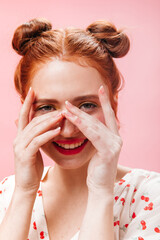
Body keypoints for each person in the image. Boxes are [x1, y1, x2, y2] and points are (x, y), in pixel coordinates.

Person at [0, 18, 160, 240]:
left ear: (113, 105)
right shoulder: (7, 193)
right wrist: (24, 193)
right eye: (47, 107)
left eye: (86, 105)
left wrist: (101, 191)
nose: (67, 131)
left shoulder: (150, 196)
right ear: (25, 112)